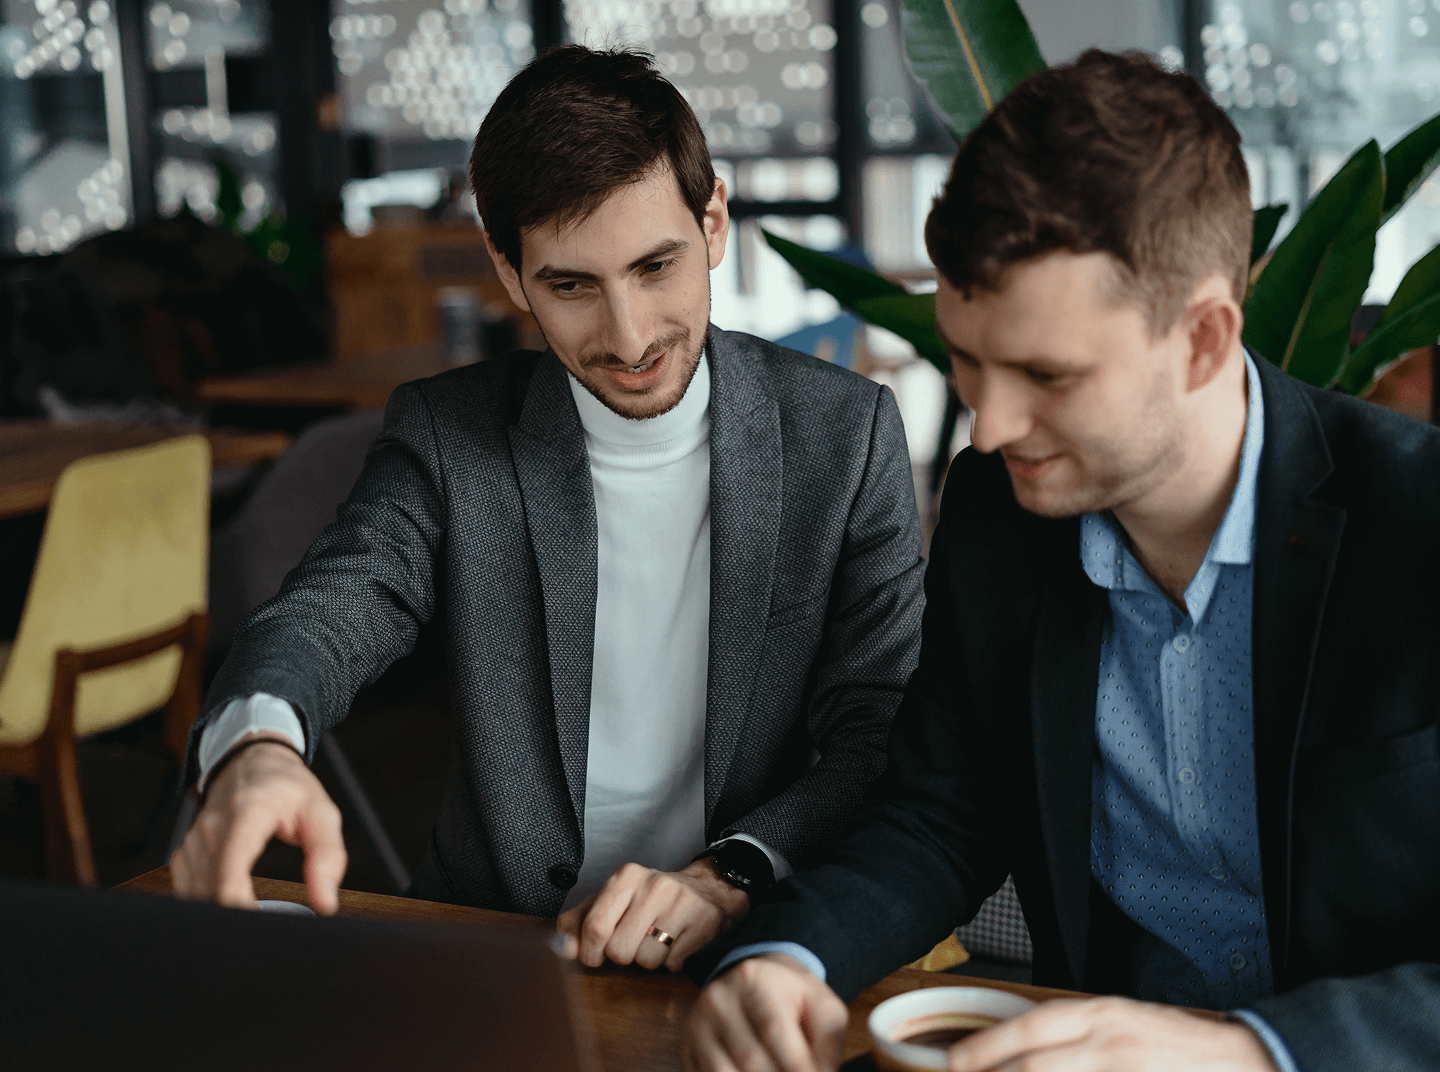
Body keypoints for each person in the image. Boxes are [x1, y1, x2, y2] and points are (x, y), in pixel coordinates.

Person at [682, 49, 1440, 1072]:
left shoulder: (1419, 519)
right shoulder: (1001, 514)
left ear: (1206, 338)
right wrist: (790, 952)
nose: (988, 427)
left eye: (1046, 373)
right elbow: (942, 811)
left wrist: (1250, 1053)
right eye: (966, 360)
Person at [172, 46, 926, 972]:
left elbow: (878, 727)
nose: (630, 336)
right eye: (572, 285)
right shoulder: (450, 436)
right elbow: (329, 612)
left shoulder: (844, 437)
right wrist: (257, 744)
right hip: (496, 951)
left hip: (749, 936)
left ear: (715, 218)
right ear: (507, 267)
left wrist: (727, 875)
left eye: (657, 266)